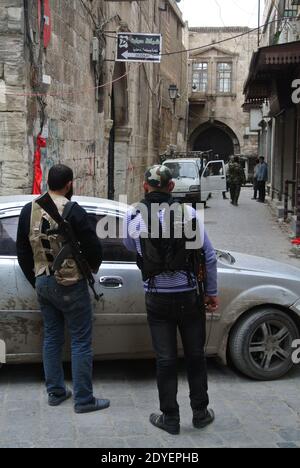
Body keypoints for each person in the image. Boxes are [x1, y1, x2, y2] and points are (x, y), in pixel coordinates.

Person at [123, 165, 219, 435]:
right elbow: (209, 256)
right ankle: (200, 413)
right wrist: (211, 292)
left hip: (157, 298)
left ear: (145, 186)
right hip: (189, 295)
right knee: (195, 355)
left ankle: (170, 418)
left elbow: (131, 247)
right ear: (172, 186)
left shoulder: (133, 216)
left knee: (165, 360)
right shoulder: (189, 214)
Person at [17, 164, 110, 414]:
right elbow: (94, 247)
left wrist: (37, 279)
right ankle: (83, 400)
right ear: (69, 184)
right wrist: (91, 268)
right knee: (80, 341)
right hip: (70, 283)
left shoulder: (29, 210)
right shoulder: (73, 210)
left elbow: (22, 251)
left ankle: (56, 392)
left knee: (52, 338)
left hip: (43, 282)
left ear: (48, 183)